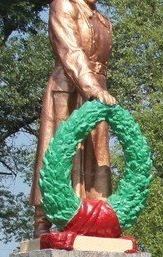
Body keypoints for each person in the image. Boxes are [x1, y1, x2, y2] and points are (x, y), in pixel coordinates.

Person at [30, 0, 115, 236]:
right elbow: (70, 50)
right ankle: (43, 220)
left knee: (98, 156)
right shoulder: (64, 5)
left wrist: (97, 89)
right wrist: (91, 87)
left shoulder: (102, 20)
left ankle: (96, 218)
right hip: (68, 89)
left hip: (98, 91)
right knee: (57, 152)